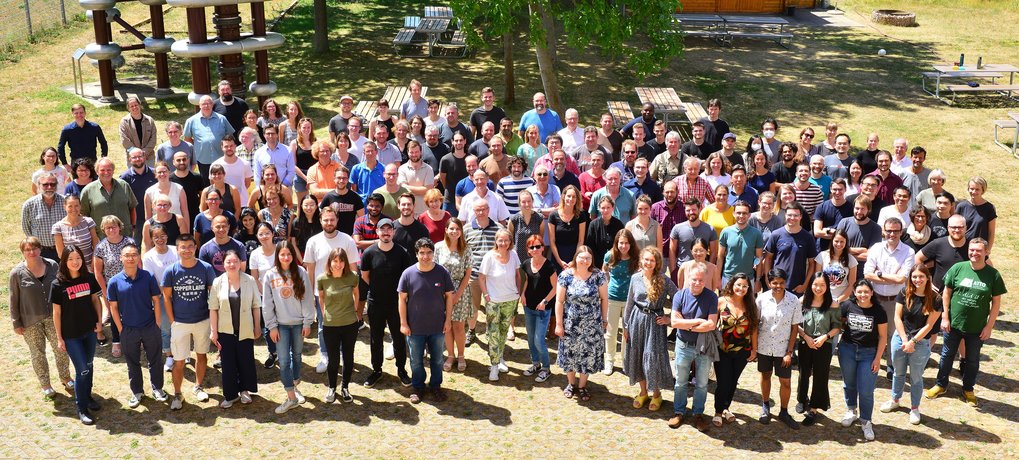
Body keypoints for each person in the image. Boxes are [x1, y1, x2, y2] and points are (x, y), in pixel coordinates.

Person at [926, 238, 1006, 406]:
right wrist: (945, 317)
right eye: (972, 250)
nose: (974, 253)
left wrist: (989, 326)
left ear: (986, 253)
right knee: (946, 356)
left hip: (977, 328)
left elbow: (996, 303)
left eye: (978, 250)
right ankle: (941, 385)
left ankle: (968, 389)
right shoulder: (958, 268)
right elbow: (946, 293)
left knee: (972, 360)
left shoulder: (993, 275)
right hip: (953, 324)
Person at [878, 264, 940, 424]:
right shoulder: (904, 292)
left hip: (920, 342)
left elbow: (929, 325)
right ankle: (895, 400)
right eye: (914, 277)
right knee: (898, 373)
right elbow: (897, 317)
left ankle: (914, 408)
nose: (917, 280)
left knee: (916, 377)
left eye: (921, 277)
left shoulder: (935, 299)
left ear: (927, 278)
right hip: (900, 339)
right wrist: (905, 340)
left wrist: (913, 341)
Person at [160, 233, 216, 410]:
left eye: (190, 246)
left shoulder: (206, 268)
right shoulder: (171, 271)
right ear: (177, 250)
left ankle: (198, 386)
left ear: (195, 247)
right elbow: (166, 298)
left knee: (201, 355)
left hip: (202, 320)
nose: (187, 250)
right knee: (179, 360)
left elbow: (213, 294)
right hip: (180, 322)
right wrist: (172, 320)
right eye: (182, 247)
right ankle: (177, 394)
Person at [11, 237, 72, 398]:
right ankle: (45, 384)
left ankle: (66, 377)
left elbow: (62, 288)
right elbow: (13, 299)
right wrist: (16, 322)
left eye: (34, 248)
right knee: (37, 353)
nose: (31, 252)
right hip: (30, 320)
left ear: (40, 249)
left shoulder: (52, 265)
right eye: (27, 250)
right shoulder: (17, 273)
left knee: (60, 348)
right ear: (23, 252)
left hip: (54, 316)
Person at [107, 244, 167, 408]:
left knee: (155, 359)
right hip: (128, 329)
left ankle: (158, 389)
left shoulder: (147, 276)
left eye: (134, 254)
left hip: (149, 326)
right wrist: (120, 329)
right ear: (121, 258)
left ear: (139, 257)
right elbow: (113, 307)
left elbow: (156, 299)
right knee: (132, 362)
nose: (131, 258)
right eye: (127, 255)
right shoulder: (114, 281)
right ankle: (137, 392)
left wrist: (157, 324)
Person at [50, 244, 103, 424]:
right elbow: (56, 313)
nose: (75, 262)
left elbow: (95, 300)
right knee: (82, 370)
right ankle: (81, 408)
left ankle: (88, 397)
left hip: (89, 331)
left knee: (89, 364)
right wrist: (59, 338)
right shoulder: (57, 284)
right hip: (71, 335)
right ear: (64, 261)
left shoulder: (88, 278)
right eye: (71, 259)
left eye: (78, 258)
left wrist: (99, 322)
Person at [303, 207, 360, 374]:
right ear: (320, 221)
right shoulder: (313, 241)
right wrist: (310, 294)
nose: (329, 223)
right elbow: (310, 270)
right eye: (325, 220)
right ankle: (325, 355)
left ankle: (342, 355)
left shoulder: (347, 240)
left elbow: (353, 268)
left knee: (344, 326)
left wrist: (353, 292)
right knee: (323, 326)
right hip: (322, 293)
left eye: (332, 220)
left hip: (345, 293)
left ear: (337, 220)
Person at [398, 239, 455, 403]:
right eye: (421, 253)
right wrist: (403, 323)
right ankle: (418, 387)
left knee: (437, 359)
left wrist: (448, 320)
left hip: (437, 326)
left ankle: (436, 386)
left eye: (429, 252)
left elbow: (449, 297)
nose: (425, 256)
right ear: (416, 254)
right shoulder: (408, 274)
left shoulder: (442, 272)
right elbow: (401, 299)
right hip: (415, 328)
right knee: (416, 360)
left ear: (433, 253)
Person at [622, 247, 677, 413]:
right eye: (646, 259)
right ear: (641, 260)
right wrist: (625, 325)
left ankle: (656, 394)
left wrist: (670, 319)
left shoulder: (664, 280)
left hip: (655, 323)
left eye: (652, 260)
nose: (648, 263)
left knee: (653, 358)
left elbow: (679, 298)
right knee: (637, 355)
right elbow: (630, 303)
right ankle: (643, 392)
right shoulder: (635, 278)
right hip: (637, 320)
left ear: (657, 262)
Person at [359, 218, 412, 387]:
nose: (386, 232)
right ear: (377, 232)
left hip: (397, 304)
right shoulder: (369, 253)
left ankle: (401, 370)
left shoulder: (402, 253)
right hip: (375, 303)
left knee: (398, 338)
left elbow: (407, 278)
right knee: (376, 338)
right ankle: (376, 370)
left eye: (389, 229)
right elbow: (365, 276)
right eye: (383, 230)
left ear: (394, 232)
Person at [668, 263, 718, 432]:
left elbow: (711, 324)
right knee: (680, 382)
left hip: (703, 347)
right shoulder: (679, 296)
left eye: (701, 280)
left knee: (702, 384)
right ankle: (679, 412)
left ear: (706, 280)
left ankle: (698, 414)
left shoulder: (711, 297)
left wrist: (685, 323)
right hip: (683, 345)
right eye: (694, 279)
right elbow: (674, 322)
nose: (697, 283)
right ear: (688, 278)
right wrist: (697, 323)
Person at [555, 246, 608, 402]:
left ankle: (583, 385)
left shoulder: (599, 276)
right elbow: (559, 301)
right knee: (570, 354)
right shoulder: (565, 276)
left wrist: (604, 320)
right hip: (570, 324)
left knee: (588, 356)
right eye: (582, 257)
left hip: (592, 324)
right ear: (575, 258)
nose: (585, 261)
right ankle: (571, 384)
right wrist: (559, 324)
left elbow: (604, 299)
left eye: (588, 258)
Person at [208, 250, 261, 408]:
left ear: (240, 263)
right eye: (228, 262)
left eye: (235, 261)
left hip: (245, 328)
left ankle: (245, 390)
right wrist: (214, 331)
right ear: (223, 264)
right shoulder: (218, 282)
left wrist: (257, 326)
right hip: (225, 330)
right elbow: (213, 308)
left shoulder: (249, 280)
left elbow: (256, 305)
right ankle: (230, 395)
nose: (232, 264)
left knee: (246, 361)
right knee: (228, 363)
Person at [863, 216, 915, 378]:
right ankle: (870, 362)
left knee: (893, 334)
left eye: (895, 231)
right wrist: (888, 276)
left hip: (895, 300)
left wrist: (878, 273)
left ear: (901, 232)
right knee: (871, 332)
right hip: (875, 298)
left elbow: (902, 279)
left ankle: (891, 366)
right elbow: (867, 274)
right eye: (889, 231)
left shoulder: (909, 251)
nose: (892, 234)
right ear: (883, 231)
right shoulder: (876, 248)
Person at [753, 268, 803, 430]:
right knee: (765, 376)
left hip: (783, 350)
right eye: (774, 283)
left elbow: (795, 328)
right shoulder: (761, 299)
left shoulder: (793, 300)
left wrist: (789, 352)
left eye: (781, 283)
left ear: (785, 283)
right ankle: (765, 406)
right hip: (764, 346)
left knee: (785, 382)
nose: (778, 286)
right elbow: (755, 325)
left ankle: (784, 411)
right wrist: (754, 348)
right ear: (769, 282)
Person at [838, 280, 888, 441]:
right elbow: (837, 323)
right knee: (849, 383)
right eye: (859, 292)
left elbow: (882, 337)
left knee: (866, 390)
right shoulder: (847, 306)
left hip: (869, 353)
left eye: (866, 292)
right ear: (854, 292)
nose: (863, 295)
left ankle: (866, 421)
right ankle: (851, 410)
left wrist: (878, 358)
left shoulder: (879, 311)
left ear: (872, 292)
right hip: (847, 349)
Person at [315, 247, 360, 405]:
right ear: (330, 262)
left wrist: (354, 310)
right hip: (330, 325)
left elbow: (356, 293)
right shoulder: (322, 278)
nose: (338, 264)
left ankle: (345, 387)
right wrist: (325, 313)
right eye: (335, 260)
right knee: (333, 360)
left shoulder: (353, 276)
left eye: (341, 261)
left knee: (348, 358)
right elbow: (321, 298)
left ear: (345, 262)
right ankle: (332, 387)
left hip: (349, 324)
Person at [712, 274, 758, 427]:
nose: (741, 288)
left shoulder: (751, 305)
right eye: (738, 285)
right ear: (732, 285)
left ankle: (726, 408)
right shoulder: (721, 301)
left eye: (745, 286)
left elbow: (754, 330)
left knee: (733, 381)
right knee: (723, 382)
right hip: (722, 349)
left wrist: (754, 350)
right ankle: (718, 412)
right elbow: (711, 323)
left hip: (743, 350)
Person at [795, 272, 841, 425]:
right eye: (815, 284)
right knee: (804, 372)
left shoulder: (833, 304)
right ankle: (802, 399)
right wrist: (806, 337)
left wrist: (824, 337)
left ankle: (814, 407)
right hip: (805, 343)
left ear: (827, 286)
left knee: (821, 376)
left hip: (823, 345)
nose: (818, 288)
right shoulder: (803, 301)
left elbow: (837, 327)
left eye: (822, 285)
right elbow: (797, 325)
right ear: (811, 285)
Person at [479, 229, 522, 382]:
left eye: (506, 240)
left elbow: (517, 275)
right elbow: (481, 277)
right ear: (496, 241)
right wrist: (486, 295)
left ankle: (500, 357)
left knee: (503, 331)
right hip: (494, 300)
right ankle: (494, 365)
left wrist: (518, 292)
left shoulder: (514, 255)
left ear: (510, 242)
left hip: (510, 299)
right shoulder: (489, 257)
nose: (503, 243)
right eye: (500, 240)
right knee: (493, 332)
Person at [92, 216, 135, 356]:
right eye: (108, 227)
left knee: (132, 312)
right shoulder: (100, 247)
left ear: (119, 227)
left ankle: (134, 339)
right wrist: (105, 291)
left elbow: (137, 263)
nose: (111, 230)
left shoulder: (130, 242)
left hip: (131, 284)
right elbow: (98, 272)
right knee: (115, 314)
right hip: (113, 287)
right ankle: (117, 341)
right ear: (103, 230)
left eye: (114, 226)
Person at [435, 218, 473, 372]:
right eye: (451, 228)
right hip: (441, 291)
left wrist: (457, 294)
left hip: (460, 290)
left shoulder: (466, 249)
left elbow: (467, 273)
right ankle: (450, 355)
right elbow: (435, 270)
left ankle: (461, 355)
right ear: (446, 230)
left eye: (457, 229)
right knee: (447, 326)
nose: (454, 231)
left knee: (458, 326)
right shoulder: (438, 247)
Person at [519, 235, 557, 383]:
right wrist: (522, 294)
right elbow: (527, 280)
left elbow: (556, 287)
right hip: (528, 307)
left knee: (539, 340)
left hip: (543, 308)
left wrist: (545, 301)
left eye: (537, 246)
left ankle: (546, 368)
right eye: (531, 247)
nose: (535, 249)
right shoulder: (526, 264)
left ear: (543, 248)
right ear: (528, 250)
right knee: (530, 338)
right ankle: (536, 363)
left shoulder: (549, 266)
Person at [142, 224, 179, 372]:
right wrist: (165, 294)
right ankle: (169, 355)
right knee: (165, 327)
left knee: (181, 324)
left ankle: (183, 352)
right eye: (156, 237)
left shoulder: (176, 250)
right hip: (161, 296)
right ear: (151, 239)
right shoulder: (149, 257)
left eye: (162, 235)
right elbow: (151, 280)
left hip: (179, 294)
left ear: (167, 236)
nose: (160, 239)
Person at [603, 229, 639, 375]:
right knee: (610, 333)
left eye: (626, 243)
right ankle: (609, 360)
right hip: (612, 298)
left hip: (629, 300)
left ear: (631, 244)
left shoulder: (636, 258)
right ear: (616, 243)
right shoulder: (610, 255)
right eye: (621, 243)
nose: (623, 246)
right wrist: (607, 285)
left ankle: (625, 361)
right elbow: (604, 270)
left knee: (627, 333)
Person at [764, 202, 816, 295]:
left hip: (796, 287)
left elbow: (812, 263)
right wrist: (768, 280)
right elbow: (768, 258)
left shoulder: (807, 237)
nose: (792, 218)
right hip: (777, 285)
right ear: (785, 215)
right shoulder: (776, 234)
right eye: (790, 215)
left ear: (801, 217)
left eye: (796, 215)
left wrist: (805, 285)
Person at [80, 158, 138, 240]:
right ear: (97, 172)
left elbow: (132, 208)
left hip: (125, 235)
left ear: (113, 171)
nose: (106, 173)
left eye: (109, 170)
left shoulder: (124, 185)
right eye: (102, 170)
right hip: (101, 238)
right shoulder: (88, 190)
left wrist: (133, 227)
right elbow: (84, 215)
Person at [183, 95, 235, 178]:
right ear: (199, 105)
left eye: (208, 103)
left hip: (221, 158)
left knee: (223, 181)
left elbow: (230, 137)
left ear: (212, 104)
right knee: (206, 184)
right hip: (203, 159)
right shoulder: (191, 121)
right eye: (203, 104)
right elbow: (187, 139)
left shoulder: (222, 119)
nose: (206, 106)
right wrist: (198, 148)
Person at [717, 200, 765, 288]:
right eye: (738, 213)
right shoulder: (726, 232)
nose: (741, 216)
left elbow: (759, 257)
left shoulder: (756, 233)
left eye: (744, 213)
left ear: (749, 215)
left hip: (748, 278)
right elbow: (720, 256)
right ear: (733, 214)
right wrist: (717, 278)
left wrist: (757, 280)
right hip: (728, 277)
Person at [668, 197, 717, 279]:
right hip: (683, 270)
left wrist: (709, 270)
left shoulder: (709, 229)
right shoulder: (677, 228)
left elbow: (713, 252)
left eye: (693, 210)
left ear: (699, 209)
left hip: (702, 271)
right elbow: (672, 251)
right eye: (688, 210)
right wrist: (673, 271)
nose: (691, 212)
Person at [23, 173, 67, 261]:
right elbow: (26, 228)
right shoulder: (29, 205)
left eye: (52, 184)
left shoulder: (66, 202)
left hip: (63, 249)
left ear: (57, 186)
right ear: (39, 186)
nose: (49, 187)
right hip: (40, 251)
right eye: (45, 185)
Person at [52, 194, 99, 273]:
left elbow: (96, 245)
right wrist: (74, 269)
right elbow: (61, 254)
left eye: (76, 206)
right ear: (65, 207)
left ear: (80, 206)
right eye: (70, 206)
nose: (73, 209)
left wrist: (93, 264)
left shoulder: (88, 222)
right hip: (72, 270)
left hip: (91, 267)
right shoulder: (58, 227)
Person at [57, 104, 108, 168]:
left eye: (81, 112)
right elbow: (60, 147)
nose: (79, 115)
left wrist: (103, 158)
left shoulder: (94, 127)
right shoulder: (67, 129)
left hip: (92, 162)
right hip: (76, 163)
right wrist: (65, 163)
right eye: (76, 113)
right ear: (72, 114)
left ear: (85, 113)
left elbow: (103, 143)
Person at [144, 162, 189, 234]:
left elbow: (185, 212)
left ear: (169, 172)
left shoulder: (179, 188)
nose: (162, 174)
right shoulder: (149, 192)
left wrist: (187, 233)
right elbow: (148, 217)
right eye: (159, 172)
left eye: (164, 171)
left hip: (177, 227)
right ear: (155, 174)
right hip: (158, 231)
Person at [817, 229, 858, 304]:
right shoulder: (822, 256)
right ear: (832, 240)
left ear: (846, 242)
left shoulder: (851, 260)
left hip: (842, 300)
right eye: (836, 241)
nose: (839, 244)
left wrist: (838, 300)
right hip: (823, 299)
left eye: (842, 241)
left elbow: (852, 284)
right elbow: (817, 280)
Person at [955, 176, 996, 250]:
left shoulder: (989, 208)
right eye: (971, 189)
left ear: (982, 190)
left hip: (979, 249)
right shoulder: (961, 206)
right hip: (962, 247)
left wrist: (988, 250)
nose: (973, 192)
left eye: (977, 189)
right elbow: (955, 227)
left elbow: (991, 232)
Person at [170, 151, 207, 222]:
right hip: (175, 216)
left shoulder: (197, 177)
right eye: (178, 160)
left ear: (188, 160)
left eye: (184, 159)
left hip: (194, 215)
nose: (181, 162)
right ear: (173, 162)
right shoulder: (169, 179)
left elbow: (202, 196)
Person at [118, 97, 157, 165]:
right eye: (131, 106)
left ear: (140, 105)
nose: (134, 107)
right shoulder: (124, 122)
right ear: (128, 108)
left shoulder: (149, 120)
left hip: (148, 157)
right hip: (133, 158)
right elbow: (124, 140)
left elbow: (153, 138)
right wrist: (137, 154)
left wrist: (145, 152)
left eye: (136, 105)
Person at [392, 194, 430, 263]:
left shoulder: (422, 229)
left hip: (415, 270)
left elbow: (426, 252)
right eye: (403, 204)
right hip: (395, 270)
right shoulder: (391, 228)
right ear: (398, 206)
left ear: (414, 206)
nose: (406, 207)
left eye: (409, 204)